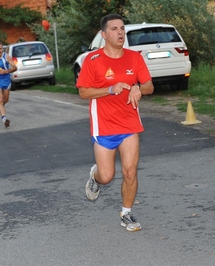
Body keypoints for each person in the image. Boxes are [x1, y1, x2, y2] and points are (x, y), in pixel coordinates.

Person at [76, 14, 154, 232]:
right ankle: (95, 176)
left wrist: (139, 88)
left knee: (130, 172)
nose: (120, 33)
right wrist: (109, 89)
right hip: (105, 126)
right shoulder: (92, 60)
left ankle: (126, 213)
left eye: (122, 28)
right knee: (107, 175)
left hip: (129, 124)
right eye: (114, 29)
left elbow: (149, 85)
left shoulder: (134, 57)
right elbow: (83, 92)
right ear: (104, 34)